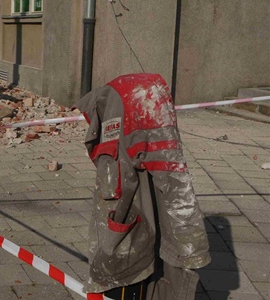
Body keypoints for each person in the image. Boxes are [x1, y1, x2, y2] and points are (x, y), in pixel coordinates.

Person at [73, 73, 211, 300]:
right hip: (131, 232)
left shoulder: (139, 109)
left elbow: (172, 187)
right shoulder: (133, 107)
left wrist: (190, 247)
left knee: (128, 269)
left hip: (128, 251)